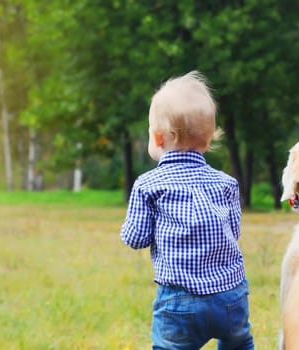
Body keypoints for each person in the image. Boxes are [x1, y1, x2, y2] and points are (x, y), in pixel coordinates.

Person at [121, 71, 254, 350]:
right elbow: (234, 231)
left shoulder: (149, 185)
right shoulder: (227, 183)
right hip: (230, 296)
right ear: (207, 140)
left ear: (157, 139)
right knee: (238, 343)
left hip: (179, 301)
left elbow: (136, 238)